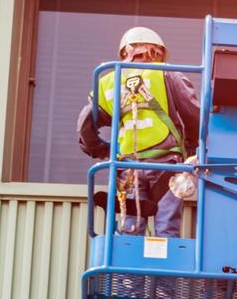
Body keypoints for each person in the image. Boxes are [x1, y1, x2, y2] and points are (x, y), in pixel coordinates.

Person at [78, 26, 200, 237]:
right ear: (157, 52)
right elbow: (194, 116)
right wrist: (190, 148)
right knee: (166, 228)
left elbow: (84, 127)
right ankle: (164, 268)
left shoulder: (108, 82)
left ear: (125, 52)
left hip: (128, 168)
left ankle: (128, 271)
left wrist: (103, 151)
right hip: (166, 166)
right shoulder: (167, 73)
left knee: (131, 230)